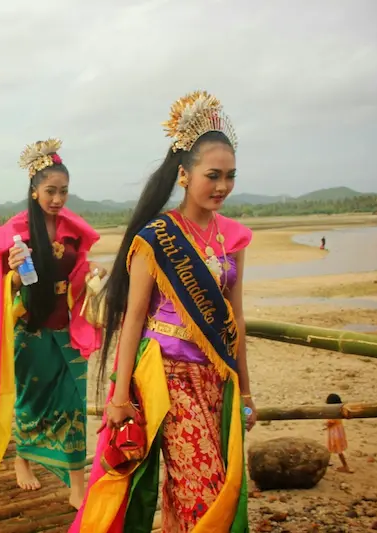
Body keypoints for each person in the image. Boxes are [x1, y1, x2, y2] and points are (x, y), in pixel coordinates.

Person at [74, 91, 254, 532]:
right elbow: (132, 318)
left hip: (217, 376)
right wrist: (118, 398)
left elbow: (236, 316)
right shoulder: (157, 237)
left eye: (230, 176)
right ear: (183, 174)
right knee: (205, 487)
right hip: (167, 376)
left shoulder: (232, 237)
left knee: (194, 487)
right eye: (213, 175)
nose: (222, 186)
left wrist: (245, 391)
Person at [0, 140, 103, 509]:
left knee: (73, 403)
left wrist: (95, 274)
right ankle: (23, 458)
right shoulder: (17, 229)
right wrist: (16, 274)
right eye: (50, 191)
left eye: (63, 191)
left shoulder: (72, 228)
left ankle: (77, 483)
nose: (57, 198)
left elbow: (79, 270)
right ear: (34, 190)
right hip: (30, 328)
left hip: (66, 326)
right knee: (31, 400)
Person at [326, 393, 352, 473]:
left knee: (338, 450)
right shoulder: (340, 409)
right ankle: (327, 461)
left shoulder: (333, 412)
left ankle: (346, 466)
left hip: (334, 433)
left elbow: (331, 422)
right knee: (331, 447)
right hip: (339, 431)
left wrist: (326, 424)